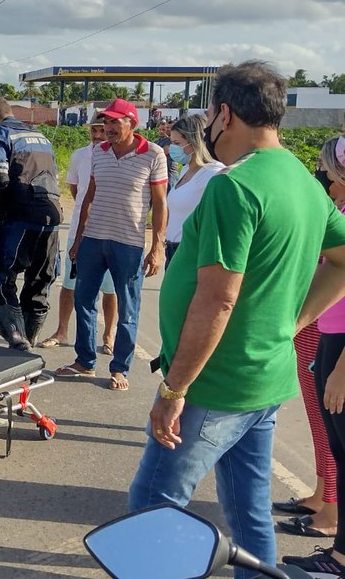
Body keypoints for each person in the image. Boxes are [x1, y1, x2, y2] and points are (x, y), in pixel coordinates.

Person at [118, 61, 345, 579]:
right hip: (264, 378)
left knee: (153, 505)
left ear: (224, 114)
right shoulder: (303, 181)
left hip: (214, 383)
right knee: (248, 511)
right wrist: (294, 319)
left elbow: (218, 300)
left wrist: (174, 390)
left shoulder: (234, 187)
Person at [57, 98, 167, 391]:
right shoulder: (99, 152)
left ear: (132, 123)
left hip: (128, 243)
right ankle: (84, 361)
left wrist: (157, 247)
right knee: (83, 300)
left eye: (115, 122)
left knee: (129, 308)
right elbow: (88, 197)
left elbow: (159, 204)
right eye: (105, 122)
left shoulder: (153, 154)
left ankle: (120, 369)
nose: (108, 128)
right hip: (93, 239)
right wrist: (78, 239)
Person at [276, 154, 342, 540]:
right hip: (314, 326)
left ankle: (332, 510)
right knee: (319, 423)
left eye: (327, 168)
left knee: (326, 421)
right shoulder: (335, 208)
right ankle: (322, 495)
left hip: (325, 329)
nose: (321, 174)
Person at [0, 97, 61, 350]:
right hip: (52, 217)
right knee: (40, 280)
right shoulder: (41, 137)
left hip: (20, 216)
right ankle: (30, 340)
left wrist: (0, 215)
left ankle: (17, 339)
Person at [38, 116, 118, 354]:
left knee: (109, 289)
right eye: (93, 130)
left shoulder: (119, 157)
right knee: (70, 284)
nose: (96, 135)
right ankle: (62, 331)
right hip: (80, 231)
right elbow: (75, 189)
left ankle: (108, 336)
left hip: (111, 231)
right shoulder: (79, 156)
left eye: (101, 131)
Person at [163, 114, 223, 267]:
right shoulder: (186, 170)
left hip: (191, 252)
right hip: (172, 249)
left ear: (194, 142)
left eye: (177, 143)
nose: (173, 148)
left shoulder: (213, 174)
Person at [156, 119, 179, 194]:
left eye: (170, 128)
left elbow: (162, 152)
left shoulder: (172, 141)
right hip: (160, 172)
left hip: (170, 173)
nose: (161, 131)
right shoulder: (159, 140)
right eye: (167, 127)